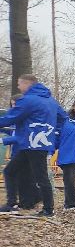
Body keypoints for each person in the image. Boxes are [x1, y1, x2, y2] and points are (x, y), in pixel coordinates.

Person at [0, 75, 65, 217]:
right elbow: (63, 118)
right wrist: (54, 135)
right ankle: (12, 204)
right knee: (10, 171)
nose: (18, 87)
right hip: (32, 145)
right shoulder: (51, 101)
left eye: (19, 84)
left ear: (27, 84)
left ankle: (48, 209)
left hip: (33, 144)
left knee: (41, 177)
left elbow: (11, 118)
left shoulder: (28, 100)